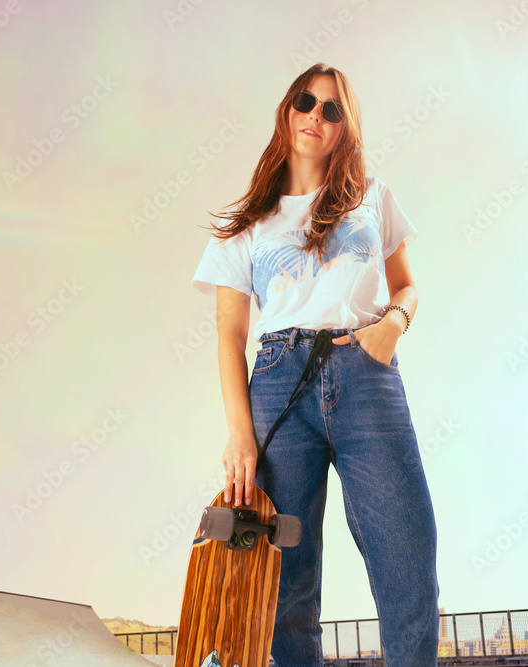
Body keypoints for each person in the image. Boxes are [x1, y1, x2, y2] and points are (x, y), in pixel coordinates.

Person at [191, 62, 439, 666]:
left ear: (344, 128)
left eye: (332, 110)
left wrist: (392, 327)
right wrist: (239, 436)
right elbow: (229, 337)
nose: (315, 117)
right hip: (278, 384)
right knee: (285, 577)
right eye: (307, 102)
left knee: (407, 557)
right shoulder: (245, 224)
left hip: (367, 375)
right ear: (287, 110)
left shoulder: (371, 197)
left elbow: (407, 287)